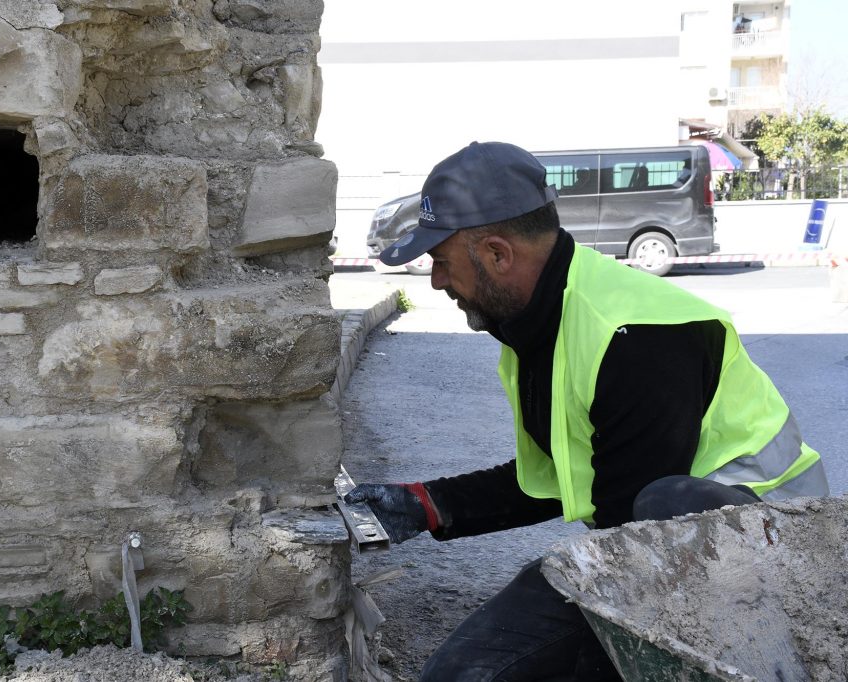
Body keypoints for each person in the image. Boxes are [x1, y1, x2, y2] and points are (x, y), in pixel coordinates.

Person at [346, 141, 829, 681]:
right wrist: (427, 505)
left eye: (441, 261)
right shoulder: (536, 323)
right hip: (655, 538)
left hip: (765, 549)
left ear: (499, 255)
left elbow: (629, 545)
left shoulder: (636, 336)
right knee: (459, 675)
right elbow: (562, 479)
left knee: (665, 505)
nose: (436, 280)